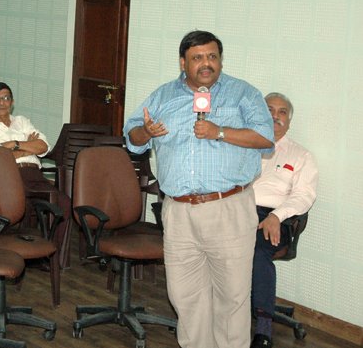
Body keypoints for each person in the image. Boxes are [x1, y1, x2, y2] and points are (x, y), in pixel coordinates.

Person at [124, 30, 274, 348]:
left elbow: (265, 138)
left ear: (220, 60)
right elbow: (132, 139)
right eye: (197, 58)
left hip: (228, 208)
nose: (206, 63)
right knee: (185, 296)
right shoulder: (163, 96)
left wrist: (220, 132)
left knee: (231, 298)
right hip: (178, 211)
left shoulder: (243, 94)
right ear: (183, 63)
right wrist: (145, 132)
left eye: (212, 56)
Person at [0, 82, 71, 265]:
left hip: (33, 174)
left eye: (6, 98)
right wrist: (27, 148)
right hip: (6, 176)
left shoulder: (22, 121)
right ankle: (14, 254)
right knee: (20, 205)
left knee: (62, 202)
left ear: (12, 102)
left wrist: (14, 144)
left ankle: (52, 256)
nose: (2, 103)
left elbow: (44, 146)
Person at [250, 93, 318, 348]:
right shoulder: (245, 145)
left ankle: (263, 329)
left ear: (289, 121)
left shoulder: (301, 155)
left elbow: (304, 196)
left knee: (257, 252)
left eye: (282, 112)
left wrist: (276, 216)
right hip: (238, 211)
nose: (275, 116)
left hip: (275, 218)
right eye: (269, 110)